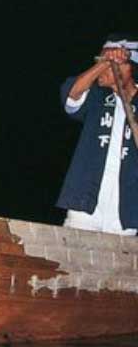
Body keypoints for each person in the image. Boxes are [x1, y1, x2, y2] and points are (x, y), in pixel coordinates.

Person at [57, 34, 138, 235]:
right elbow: (71, 94)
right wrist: (105, 63)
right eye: (100, 61)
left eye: (110, 62)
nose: (101, 67)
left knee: (119, 265)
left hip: (127, 212)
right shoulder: (97, 96)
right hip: (85, 204)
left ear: (129, 68)